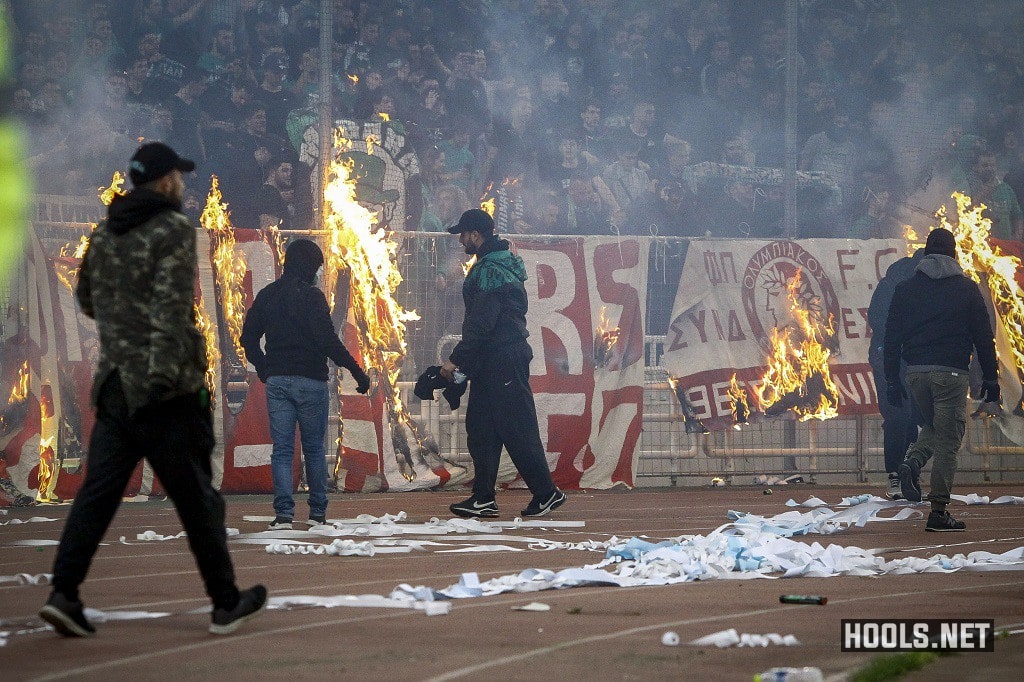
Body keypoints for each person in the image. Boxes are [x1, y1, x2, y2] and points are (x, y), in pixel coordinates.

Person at [40, 142, 267, 638]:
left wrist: (123, 328)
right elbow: (170, 310)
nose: (182, 185)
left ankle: (64, 592)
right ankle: (226, 602)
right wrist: (165, 381)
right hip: (164, 392)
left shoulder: (104, 233)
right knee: (198, 499)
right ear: (165, 181)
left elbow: (85, 298)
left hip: (116, 385)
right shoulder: (172, 229)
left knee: (97, 496)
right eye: (178, 178)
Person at [440, 209, 567, 518]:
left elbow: (482, 324)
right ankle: (483, 497)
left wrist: (456, 360)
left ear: (475, 234)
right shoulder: (494, 263)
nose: (460, 239)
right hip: (492, 360)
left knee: (518, 428)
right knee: (481, 429)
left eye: (463, 233)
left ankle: (547, 493)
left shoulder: (489, 270)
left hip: (502, 359)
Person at [240, 239, 371, 530]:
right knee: (313, 450)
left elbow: (248, 339)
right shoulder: (313, 298)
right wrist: (357, 372)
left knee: (283, 450)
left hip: (278, 382)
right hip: (312, 381)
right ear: (311, 267)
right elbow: (328, 342)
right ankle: (317, 514)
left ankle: (284, 515)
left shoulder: (268, 295)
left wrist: (265, 368)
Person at [884, 228, 1001, 531]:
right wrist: (991, 379)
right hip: (951, 374)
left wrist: (892, 382)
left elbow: (891, 337)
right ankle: (938, 511)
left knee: (935, 426)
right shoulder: (967, 289)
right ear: (954, 254)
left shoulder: (905, 289)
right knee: (950, 438)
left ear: (924, 252)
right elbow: (984, 339)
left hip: (915, 374)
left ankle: (912, 462)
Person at [867, 248, 924, 499]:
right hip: (889, 358)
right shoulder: (894, 284)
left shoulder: (923, 284)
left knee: (912, 417)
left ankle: (906, 472)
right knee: (898, 415)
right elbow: (877, 320)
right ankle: (894, 474)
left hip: (912, 358)